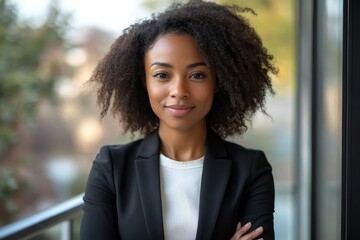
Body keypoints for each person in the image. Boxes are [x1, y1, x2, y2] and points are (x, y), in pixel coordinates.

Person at [80, 0, 276, 239]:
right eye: (162, 75)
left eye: (197, 75)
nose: (179, 90)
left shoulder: (251, 169)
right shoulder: (111, 167)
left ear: (218, 82)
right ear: (145, 82)